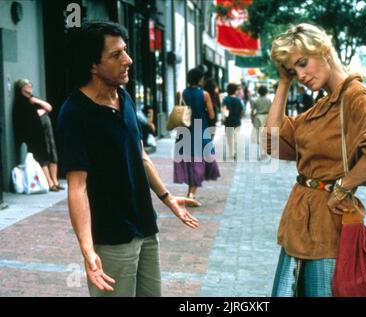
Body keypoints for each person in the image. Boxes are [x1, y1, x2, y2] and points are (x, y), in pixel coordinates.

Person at [57, 21, 199, 297]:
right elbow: (77, 187)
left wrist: (167, 198)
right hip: (111, 237)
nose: (128, 60)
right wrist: (87, 249)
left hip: (145, 225)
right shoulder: (75, 113)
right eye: (116, 54)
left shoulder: (123, 96)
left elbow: (140, 154)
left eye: (125, 50)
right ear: (92, 65)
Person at [265, 23, 366, 297]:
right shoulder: (325, 104)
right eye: (294, 70)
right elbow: (271, 143)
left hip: (329, 225)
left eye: (303, 63)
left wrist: (343, 186)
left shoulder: (355, 96)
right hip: (300, 223)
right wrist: (283, 83)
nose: (301, 75)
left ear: (324, 50)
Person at [173, 67, 221, 203]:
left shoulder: (180, 93)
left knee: (189, 161)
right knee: (200, 160)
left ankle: (190, 192)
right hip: (201, 129)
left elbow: (178, 111)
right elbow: (211, 114)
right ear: (199, 79)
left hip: (185, 131)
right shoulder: (205, 94)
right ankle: (191, 195)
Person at [12, 79, 63, 192]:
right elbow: (32, 115)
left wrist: (38, 102)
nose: (30, 86)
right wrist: (42, 111)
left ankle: (55, 181)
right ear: (21, 88)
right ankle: (49, 183)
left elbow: (49, 107)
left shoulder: (33, 99)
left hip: (46, 129)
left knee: (52, 154)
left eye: (30, 84)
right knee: (42, 156)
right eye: (27, 85)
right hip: (36, 132)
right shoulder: (21, 101)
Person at [222, 83, 245, 161]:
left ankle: (231, 152)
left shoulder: (225, 99)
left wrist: (223, 119)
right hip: (237, 121)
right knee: (236, 136)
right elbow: (242, 111)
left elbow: (224, 110)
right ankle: (235, 152)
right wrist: (240, 117)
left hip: (228, 122)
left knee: (229, 138)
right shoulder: (239, 100)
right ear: (235, 91)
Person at [250, 85, 271, 159]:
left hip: (258, 117)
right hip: (266, 117)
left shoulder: (255, 100)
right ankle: (265, 152)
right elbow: (271, 110)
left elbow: (252, 111)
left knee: (259, 136)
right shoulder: (269, 100)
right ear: (266, 92)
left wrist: (251, 119)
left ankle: (261, 153)